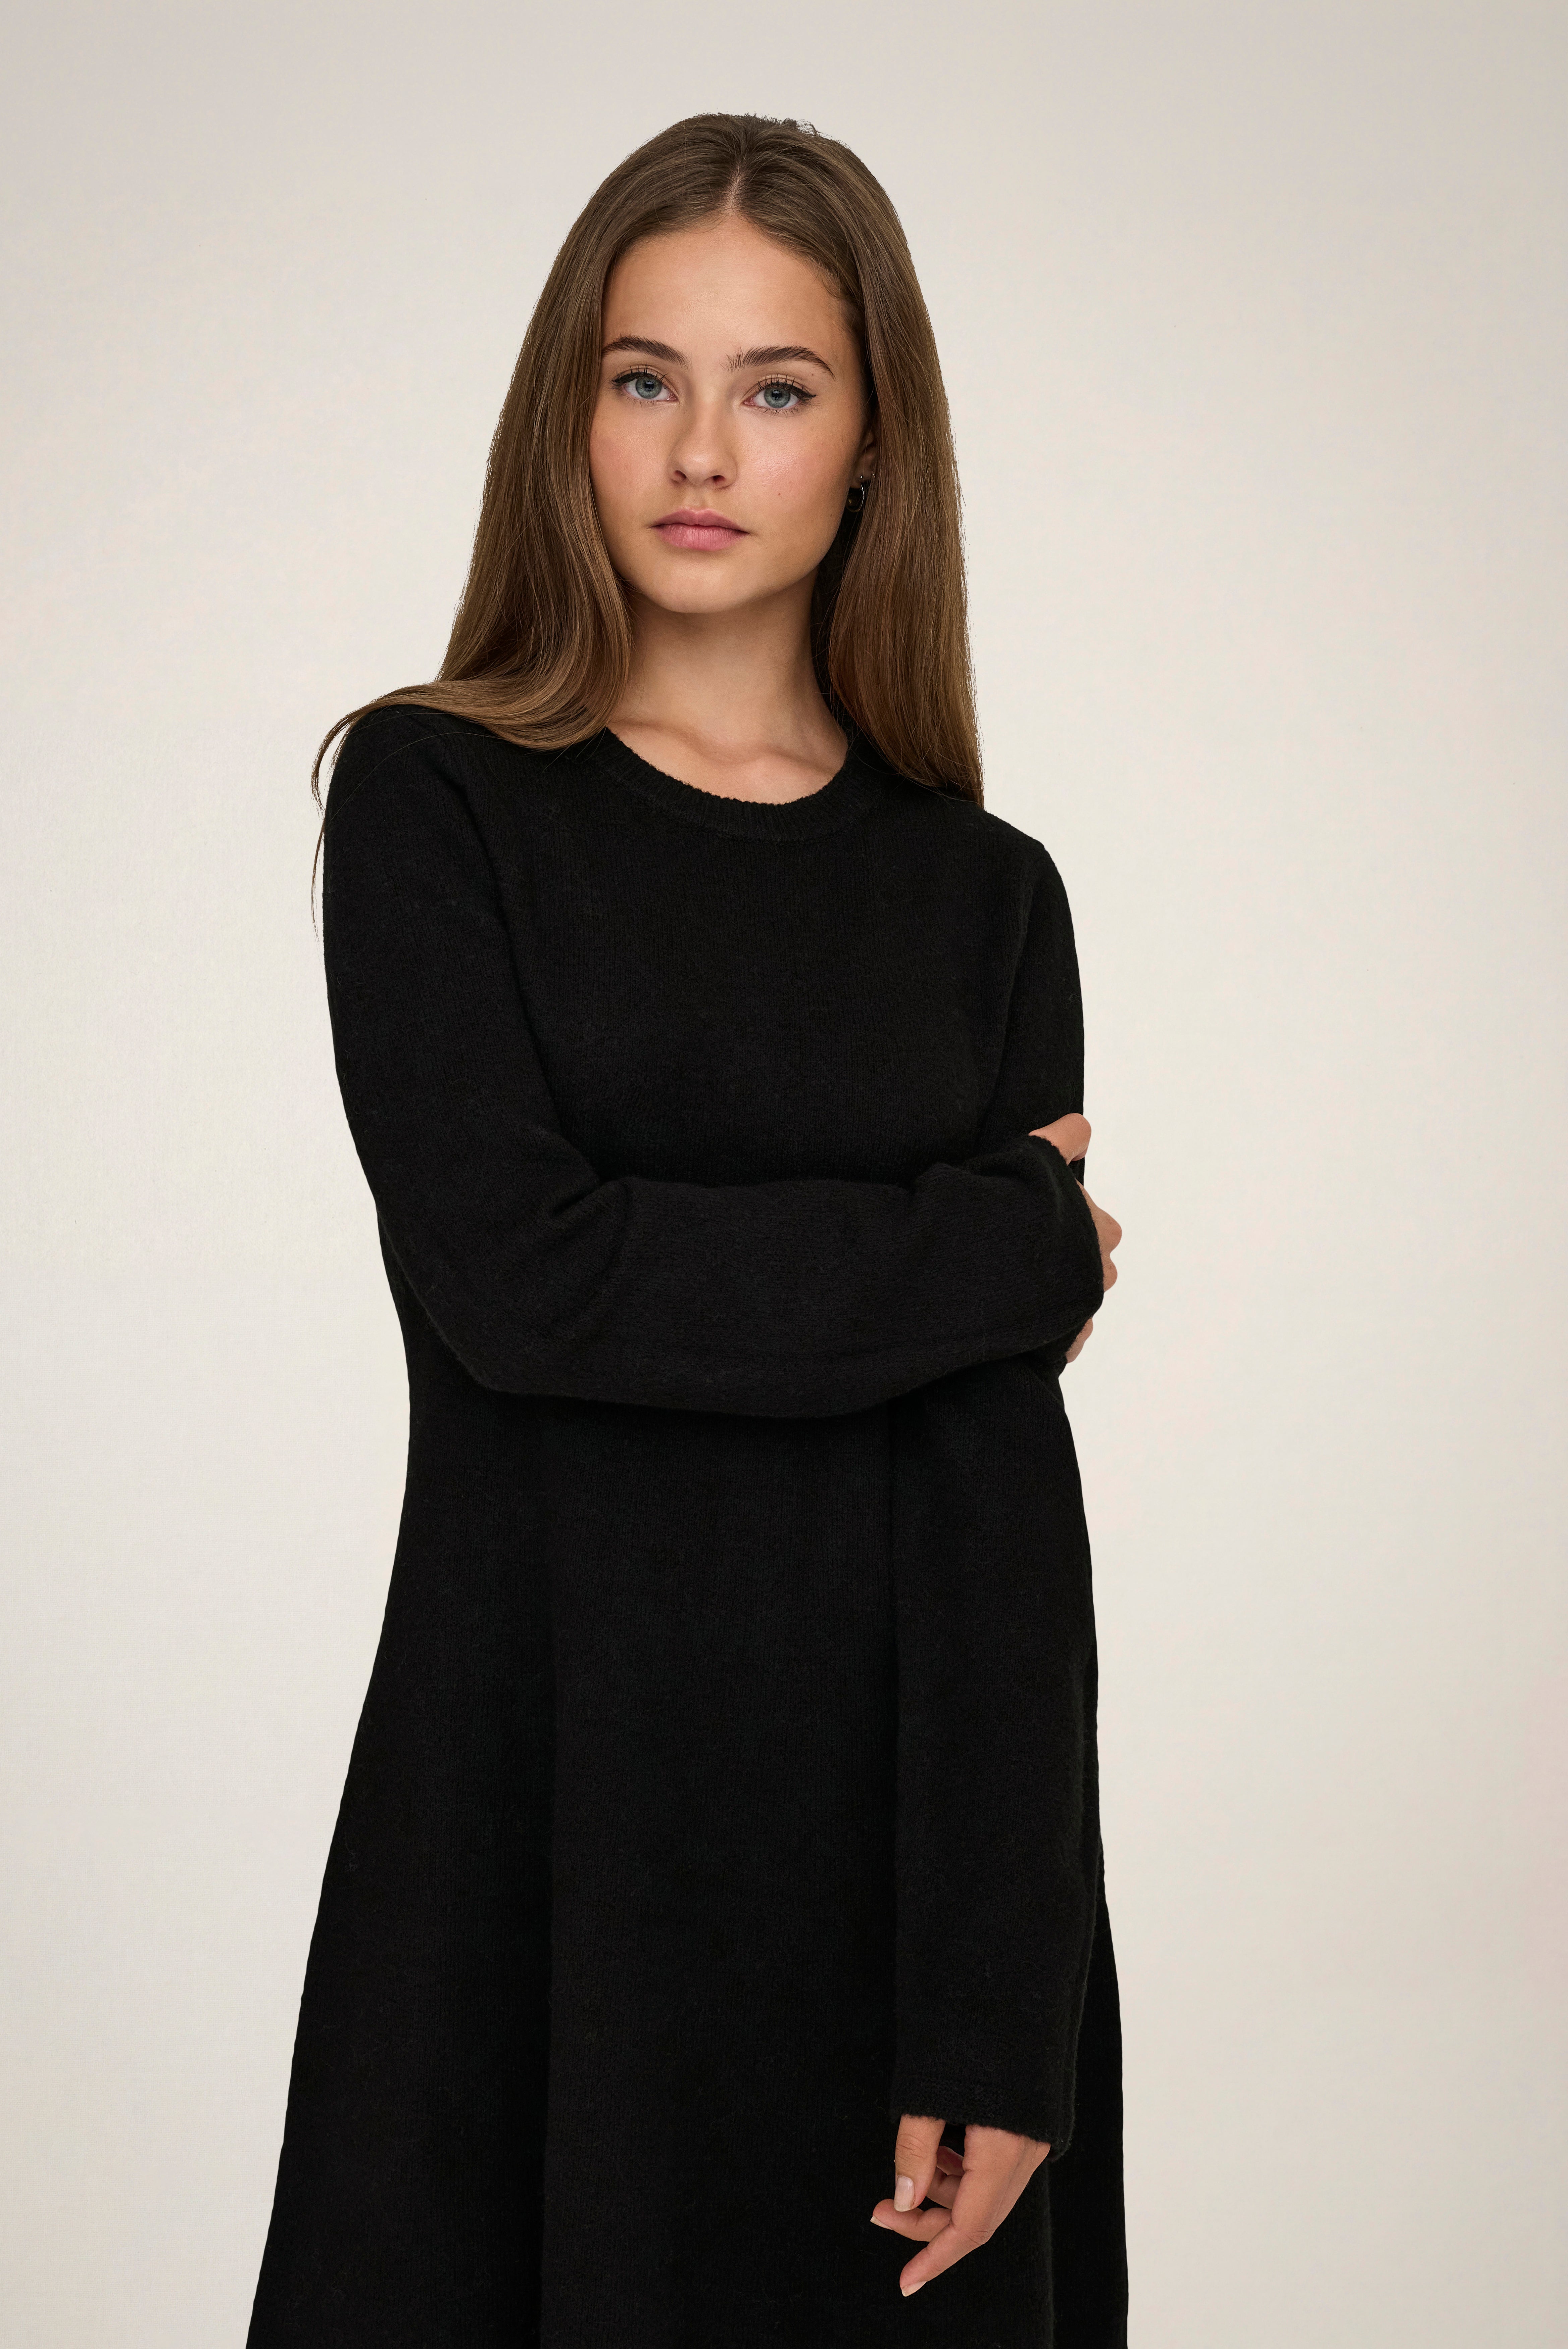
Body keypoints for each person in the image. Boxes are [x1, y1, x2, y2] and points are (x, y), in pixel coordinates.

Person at [247, 111, 1127, 2348]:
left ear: (873, 435)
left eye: (776, 385)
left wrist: (1000, 1998)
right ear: (569, 413)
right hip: (531, 1841)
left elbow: (993, 1483)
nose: (700, 450)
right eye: (642, 378)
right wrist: (995, 1246)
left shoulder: (982, 894)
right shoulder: (435, 797)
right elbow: (523, 1285)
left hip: (897, 1887)